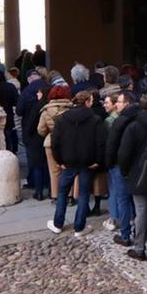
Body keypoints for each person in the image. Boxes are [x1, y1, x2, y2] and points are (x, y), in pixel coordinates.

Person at [47, 91, 107, 237]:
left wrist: (59, 160)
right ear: (87, 102)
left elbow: (55, 142)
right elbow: (100, 143)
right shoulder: (95, 119)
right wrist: (98, 160)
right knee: (83, 194)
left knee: (62, 193)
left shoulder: (62, 119)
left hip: (68, 161)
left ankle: (57, 224)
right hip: (87, 161)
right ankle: (79, 227)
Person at [117, 94, 147, 260]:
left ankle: (140, 248)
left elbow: (124, 153)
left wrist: (125, 171)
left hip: (138, 172)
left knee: (141, 210)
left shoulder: (133, 126)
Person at [105, 91, 138, 244]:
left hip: (121, 165)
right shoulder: (141, 117)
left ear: (127, 103)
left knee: (123, 199)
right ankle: (138, 231)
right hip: (137, 164)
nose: (116, 104)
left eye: (119, 101)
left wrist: (109, 163)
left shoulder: (120, 121)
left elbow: (112, 146)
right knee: (136, 200)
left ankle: (125, 235)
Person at [38, 84, 73, 199]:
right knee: (68, 169)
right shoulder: (71, 109)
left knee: (54, 171)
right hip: (68, 141)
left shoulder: (46, 111)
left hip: (51, 141)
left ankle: (55, 196)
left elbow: (41, 130)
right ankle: (69, 196)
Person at [17, 71, 48, 199]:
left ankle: (38, 190)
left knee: (35, 163)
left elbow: (19, 111)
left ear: (30, 79)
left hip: (31, 132)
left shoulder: (26, 91)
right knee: (48, 161)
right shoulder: (49, 86)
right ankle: (51, 188)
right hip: (48, 130)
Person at [0, 70, 19, 154]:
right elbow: (16, 101)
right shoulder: (11, 86)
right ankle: (13, 152)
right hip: (9, 114)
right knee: (10, 133)